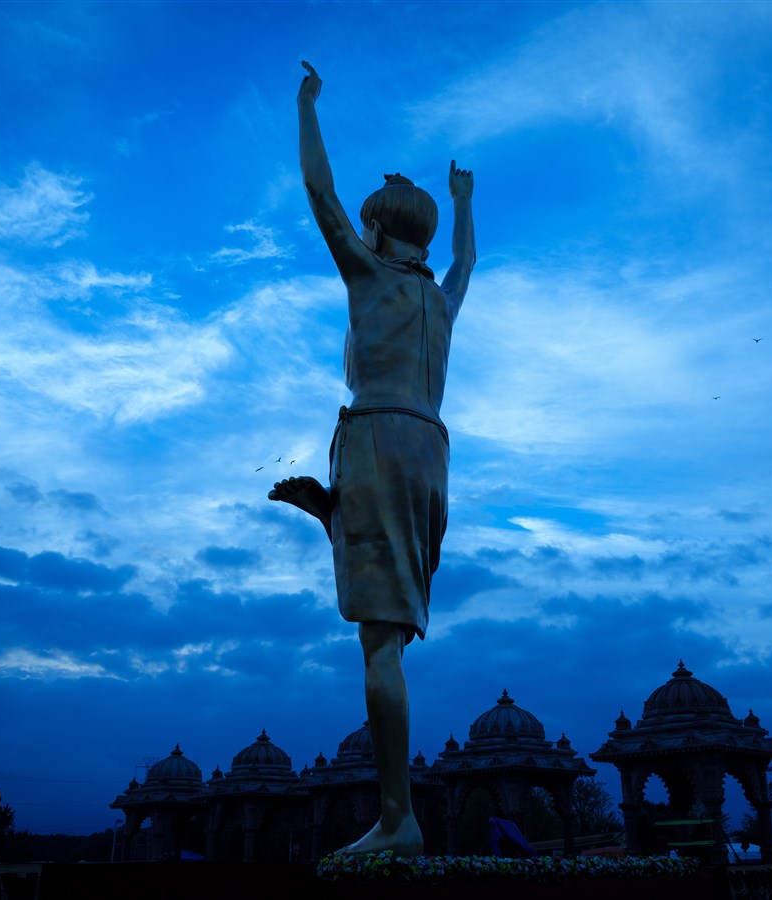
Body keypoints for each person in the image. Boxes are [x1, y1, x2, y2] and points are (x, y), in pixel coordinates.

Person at [269, 61, 475, 857]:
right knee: (388, 611)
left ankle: (397, 820)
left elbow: (319, 198)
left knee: (379, 640)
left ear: (381, 232)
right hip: (429, 449)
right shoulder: (438, 298)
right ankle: (332, 514)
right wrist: (462, 204)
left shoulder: (369, 276)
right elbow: (467, 263)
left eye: (368, 225)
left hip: (379, 434)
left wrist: (306, 107)